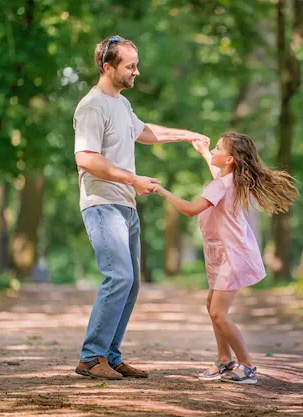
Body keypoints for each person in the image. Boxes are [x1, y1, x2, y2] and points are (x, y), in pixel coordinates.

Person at [73, 35, 209, 380]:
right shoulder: (92, 106)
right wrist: (133, 180)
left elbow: (145, 132)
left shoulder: (120, 104)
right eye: (130, 66)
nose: (137, 71)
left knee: (130, 283)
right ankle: (91, 357)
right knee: (119, 276)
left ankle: (110, 355)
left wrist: (187, 135)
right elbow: (86, 158)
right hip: (102, 203)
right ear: (107, 67)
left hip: (126, 206)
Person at [152, 133, 299, 384]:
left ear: (230, 159)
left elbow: (189, 209)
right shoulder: (229, 179)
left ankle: (247, 365)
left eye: (218, 148)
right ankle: (224, 359)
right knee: (212, 307)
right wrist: (204, 153)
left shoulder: (223, 184)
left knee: (219, 313)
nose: (215, 150)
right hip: (224, 252)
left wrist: (160, 190)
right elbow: (217, 174)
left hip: (233, 254)